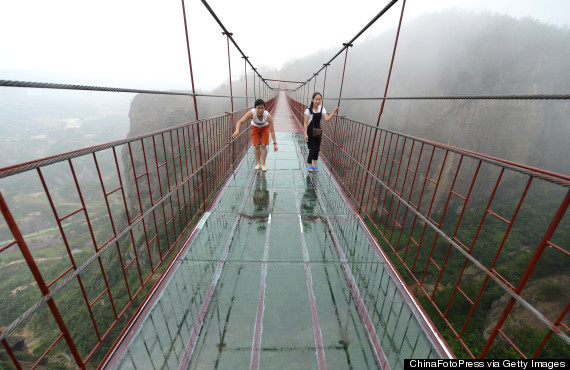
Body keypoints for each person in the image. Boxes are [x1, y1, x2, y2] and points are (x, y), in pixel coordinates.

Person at [232, 98, 278, 171]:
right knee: (256, 145)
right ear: (255, 108)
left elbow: (272, 130)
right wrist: (237, 130)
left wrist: (275, 143)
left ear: (264, 108)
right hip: (255, 127)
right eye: (258, 108)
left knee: (263, 145)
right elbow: (240, 121)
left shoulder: (268, 116)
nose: (260, 110)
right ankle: (258, 163)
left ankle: (263, 164)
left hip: (265, 128)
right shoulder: (251, 113)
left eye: (262, 108)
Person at [304, 92, 339, 172]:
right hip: (310, 131)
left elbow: (327, 119)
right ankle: (309, 164)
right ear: (312, 100)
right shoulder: (308, 110)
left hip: (318, 132)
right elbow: (305, 123)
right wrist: (305, 134)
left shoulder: (322, 109)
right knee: (312, 149)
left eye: (319, 99)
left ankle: (314, 165)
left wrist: (333, 112)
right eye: (316, 99)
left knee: (317, 149)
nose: (318, 101)